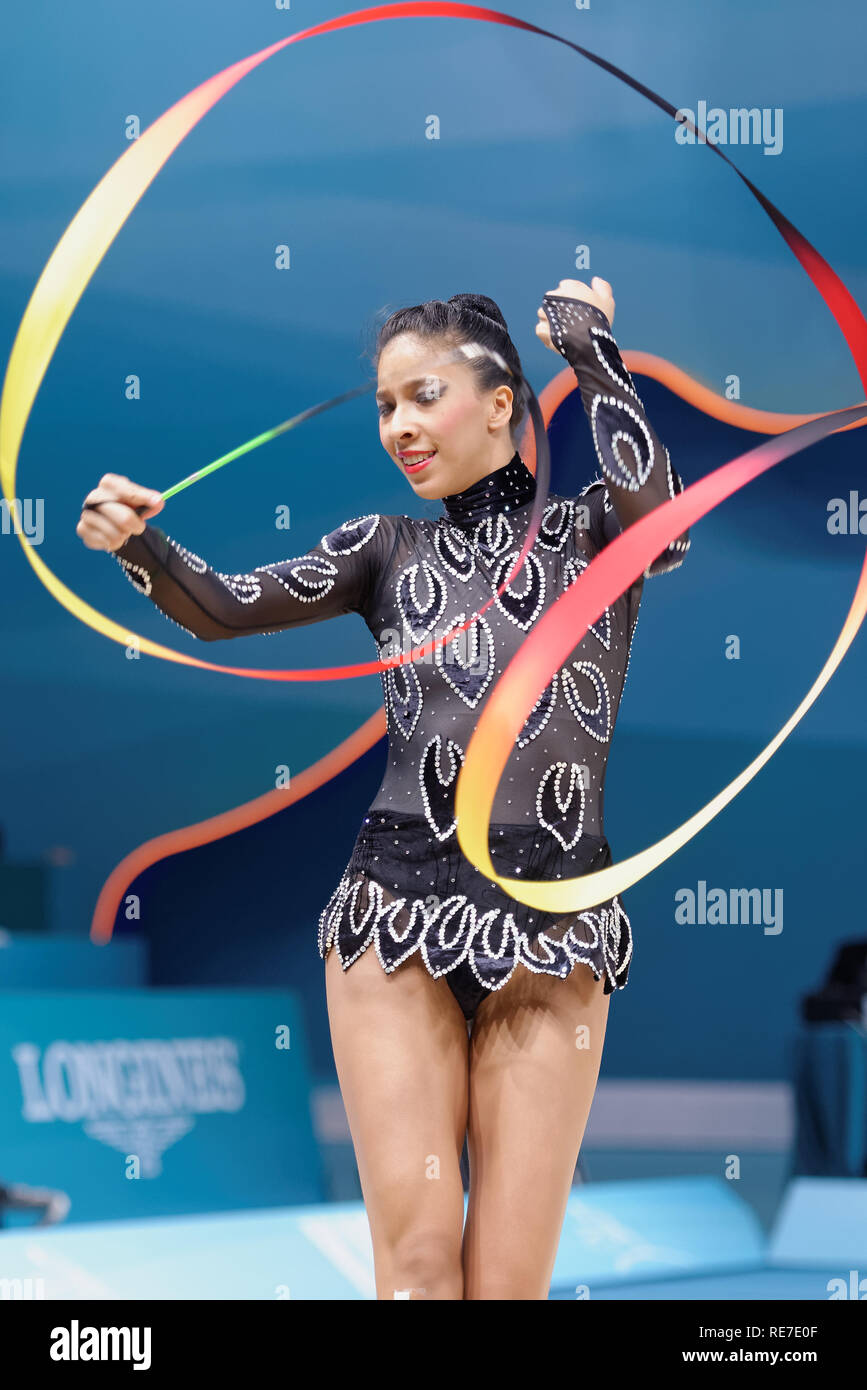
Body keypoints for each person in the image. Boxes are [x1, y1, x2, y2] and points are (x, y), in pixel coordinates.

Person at [76, 277, 689, 1300]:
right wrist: (137, 542)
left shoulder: (591, 535)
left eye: (423, 396)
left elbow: (665, 525)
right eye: (384, 406)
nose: (399, 426)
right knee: (414, 1270)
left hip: (552, 931)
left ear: (501, 402)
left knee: (504, 1285)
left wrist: (591, 350)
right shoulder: (382, 550)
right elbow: (222, 609)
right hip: (394, 921)